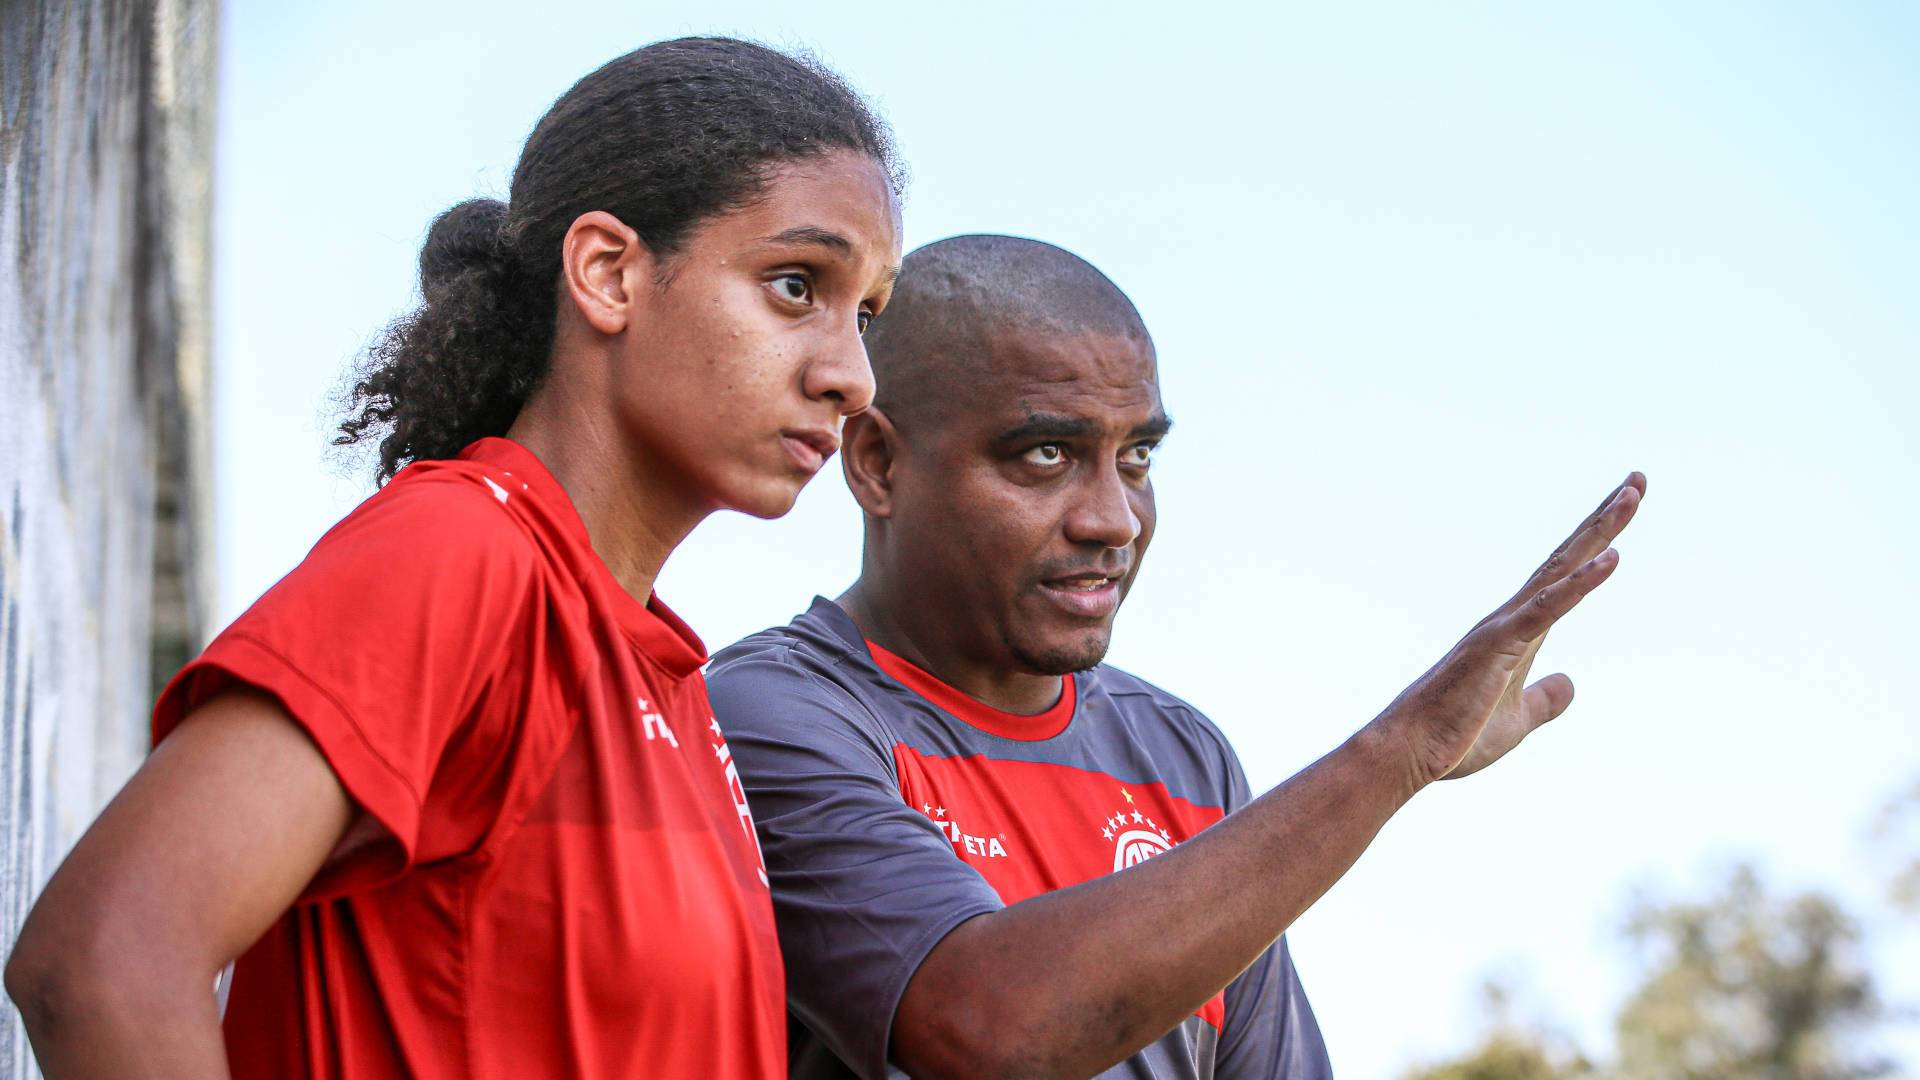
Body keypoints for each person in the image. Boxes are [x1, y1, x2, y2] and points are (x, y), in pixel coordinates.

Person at [5, 37, 902, 1079]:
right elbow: (105, 962)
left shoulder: (664, 674)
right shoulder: (464, 550)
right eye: (796, 285)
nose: (853, 375)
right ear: (609, 273)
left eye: (867, 312)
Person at [706, 234, 1645, 1080]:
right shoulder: (766, 716)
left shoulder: (1182, 757)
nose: (1111, 517)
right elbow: (984, 1030)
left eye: (1139, 459)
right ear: (877, 464)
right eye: (1044, 454)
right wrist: (1398, 754)